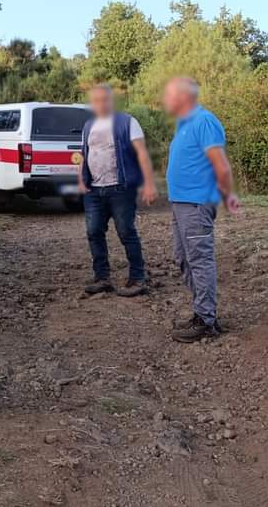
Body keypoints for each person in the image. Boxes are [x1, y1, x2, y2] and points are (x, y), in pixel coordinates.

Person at [162, 76, 241, 343]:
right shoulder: (184, 124)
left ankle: (207, 320)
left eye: (171, 94)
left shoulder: (205, 121)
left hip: (196, 204)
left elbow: (220, 164)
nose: (167, 99)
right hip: (182, 203)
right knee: (183, 259)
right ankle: (202, 313)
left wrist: (229, 195)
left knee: (199, 260)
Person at [78, 84, 158, 296]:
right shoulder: (88, 125)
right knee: (94, 232)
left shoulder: (127, 122)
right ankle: (102, 277)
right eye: (96, 100)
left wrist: (149, 184)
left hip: (121, 188)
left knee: (126, 231)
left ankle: (138, 278)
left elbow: (141, 153)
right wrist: (81, 180)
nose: (100, 104)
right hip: (94, 190)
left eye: (105, 99)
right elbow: (85, 155)